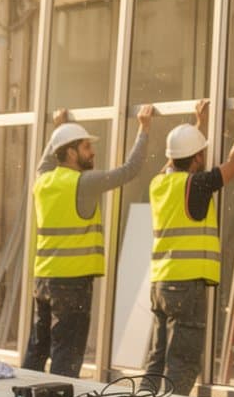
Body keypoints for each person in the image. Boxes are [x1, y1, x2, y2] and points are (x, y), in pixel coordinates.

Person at [25, 103, 154, 377]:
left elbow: (47, 159)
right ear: (71, 152)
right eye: (85, 146)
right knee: (67, 352)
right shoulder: (83, 183)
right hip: (72, 283)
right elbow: (130, 170)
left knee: (38, 347)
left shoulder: (42, 181)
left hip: (43, 280)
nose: (92, 152)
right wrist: (144, 129)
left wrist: (59, 128)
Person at [142, 94, 234, 394]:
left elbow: (176, 160)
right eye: (201, 153)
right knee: (182, 362)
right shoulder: (197, 184)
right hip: (186, 286)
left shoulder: (158, 183)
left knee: (158, 358)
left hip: (161, 284)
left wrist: (199, 125)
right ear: (195, 158)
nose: (204, 158)